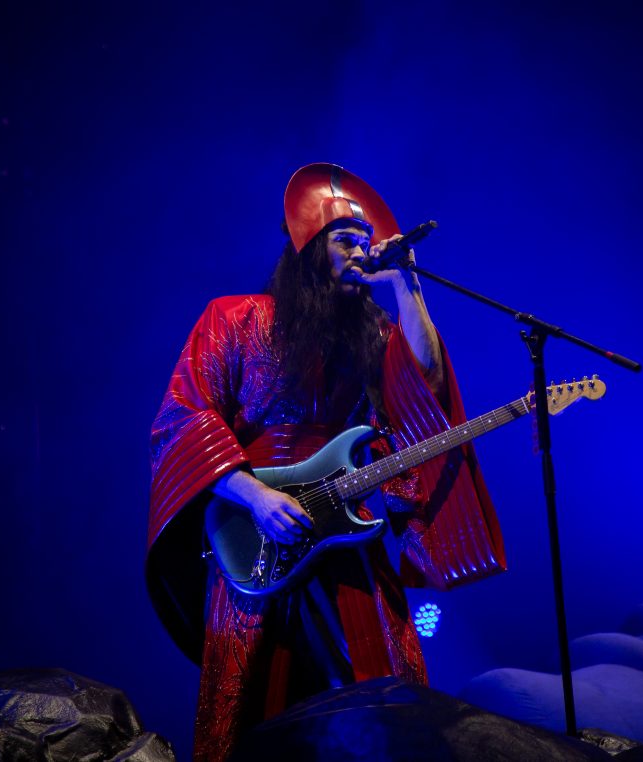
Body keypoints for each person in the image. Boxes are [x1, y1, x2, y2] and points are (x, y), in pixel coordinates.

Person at [146, 163, 507, 760]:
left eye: (366, 243)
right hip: (253, 527)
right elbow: (186, 416)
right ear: (308, 248)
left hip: (345, 524)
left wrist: (406, 284)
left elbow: (426, 386)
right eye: (346, 241)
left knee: (380, 689)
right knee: (254, 701)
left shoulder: (370, 335)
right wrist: (257, 498)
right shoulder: (232, 319)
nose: (361, 253)